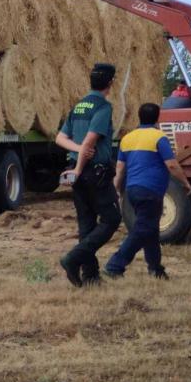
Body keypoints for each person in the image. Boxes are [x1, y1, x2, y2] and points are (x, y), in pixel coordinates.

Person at [104, 102, 191, 280]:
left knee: (150, 230)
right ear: (158, 117)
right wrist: (185, 182)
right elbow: (171, 164)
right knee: (142, 230)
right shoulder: (159, 137)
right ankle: (115, 265)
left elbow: (120, 169)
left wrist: (116, 190)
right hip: (150, 190)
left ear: (139, 116)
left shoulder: (127, 138)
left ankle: (156, 269)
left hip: (133, 190)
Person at [56, 62, 121, 288]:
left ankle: (90, 276)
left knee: (86, 224)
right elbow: (91, 140)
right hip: (93, 172)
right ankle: (73, 259)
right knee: (112, 219)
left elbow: (60, 138)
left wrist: (76, 152)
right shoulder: (102, 107)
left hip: (79, 171)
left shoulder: (79, 106)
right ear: (110, 83)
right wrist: (80, 165)